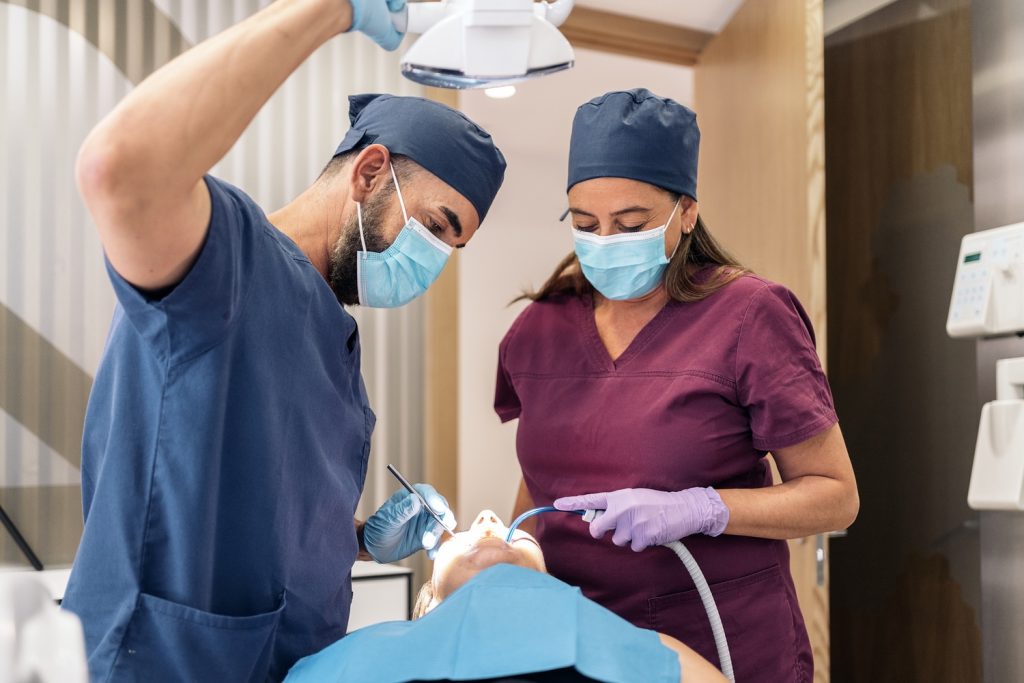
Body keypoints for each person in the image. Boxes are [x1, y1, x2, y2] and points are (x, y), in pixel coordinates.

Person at [62, 1, 506, 681]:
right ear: (369, 172)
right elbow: (117, 169)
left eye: (454, 245)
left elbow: (259, 527)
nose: (437, 259)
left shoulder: (335, 342)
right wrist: (331, 9)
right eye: (437, 227)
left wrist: (361, 538)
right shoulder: (225, 263)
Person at [495, 89, 859, 682]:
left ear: (685, 212)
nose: (605, 240)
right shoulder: (540, 328)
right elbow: (541, 485)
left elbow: (835, 495)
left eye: (631, 224)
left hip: (721, 641)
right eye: (585, 225)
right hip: (578, 645)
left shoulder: (750, 315)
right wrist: (504, 563)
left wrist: (701, 509)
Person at [285, 510, 728, 683]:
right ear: (428, 606)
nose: (488, 519)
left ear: (550, 581)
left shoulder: (652, 649)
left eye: (516, 532)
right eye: (464, 532)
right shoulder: (352, 656)